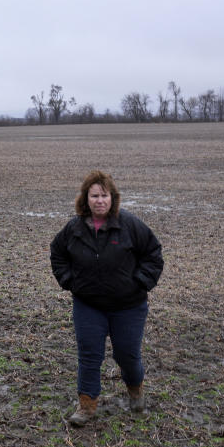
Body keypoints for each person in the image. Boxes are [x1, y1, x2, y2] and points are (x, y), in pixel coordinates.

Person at [50, 170, 163, 426]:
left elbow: (153, 255)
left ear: (113, 198)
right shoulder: (73, 228)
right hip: (88, 305)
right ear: (85, 199)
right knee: (89, 355)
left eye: (104, 195)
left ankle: (136, 393)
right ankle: (87, 407)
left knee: (127, 355)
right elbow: (57, 254)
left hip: (128, 307)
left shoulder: (130, 225)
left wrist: (140, 283)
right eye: (94, 196)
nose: (100, 201)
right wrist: (70, 281)